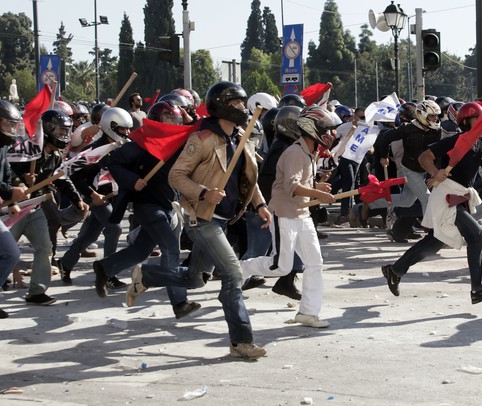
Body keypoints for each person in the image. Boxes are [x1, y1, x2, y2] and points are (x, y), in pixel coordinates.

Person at [126, 81, 270, 360]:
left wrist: (260, 204)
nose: (242, 108)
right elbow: (176, 176)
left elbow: (247, 178)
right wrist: (204, 192)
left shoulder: (242, 136)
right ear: (220, 106)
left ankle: (148, 274)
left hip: (226, 218)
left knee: (195, 279)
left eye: (243, 103)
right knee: (233, 274)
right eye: (236, 104)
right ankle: (242, 340)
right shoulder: (201, 139)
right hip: (202, 219)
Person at [381, 102, 482, 304]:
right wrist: (435, 172)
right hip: (446, 196)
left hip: (461, 196)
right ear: (466, 121)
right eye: (479, 119)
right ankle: (479, 287)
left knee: (435, 242)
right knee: (476, 236)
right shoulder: (456, 140)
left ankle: (395, 270)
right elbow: (425, 158)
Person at [92, 101, 198, 319]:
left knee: (140, 251)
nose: (173, 124)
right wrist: (133, 180)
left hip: (167, 204)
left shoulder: (177, 141)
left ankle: (104, 268)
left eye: (175, 120)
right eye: (168, 119)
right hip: (147, 205)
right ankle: (179, 301)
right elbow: (115, 163)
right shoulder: (141, 141)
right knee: (171, 247)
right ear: (157, 120)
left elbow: (198, 133)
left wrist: (192, 120)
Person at [240, 105, 339, 327]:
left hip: (302, 215)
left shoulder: (309, 151)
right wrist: (317, 193)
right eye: (327, 129)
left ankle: (308, 312)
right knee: (280, 266)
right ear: (311, 128)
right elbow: (292, 186)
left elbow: (302, 183)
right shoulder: (295, 152)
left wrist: (318, 187)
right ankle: (240, 269)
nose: (331, 135)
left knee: (314, 263)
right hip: (284, 215)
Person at [10, 109, 89, 305]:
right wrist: (21, 180)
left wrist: (76, 198)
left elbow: (60, 177)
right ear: (48, 129)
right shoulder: (26, 150)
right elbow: (6, 172)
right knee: (1, 250)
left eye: (66, 132)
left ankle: (37, 291)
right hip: (14, 208)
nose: (64, 136)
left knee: (45, 247)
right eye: (61, 132)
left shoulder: (56, 155)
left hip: (34, 206)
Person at [57, 107, 132, 286]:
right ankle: (108, 273)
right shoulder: (94, 152)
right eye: (123, 129)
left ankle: (65, 263)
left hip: (111, 198)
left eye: (128, 129)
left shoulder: (121, 147)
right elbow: (75, 176)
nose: (127, 133)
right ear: (111, 127)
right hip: (96, 198)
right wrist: (92, 194)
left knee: (90, 234)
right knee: (114, 229)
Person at [0, 100, 27, 318]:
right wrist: (10, 190)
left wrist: (12, 196)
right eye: (7, 124)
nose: (11, 130)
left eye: (14, 125)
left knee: (10, 253)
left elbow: (5, 174)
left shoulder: (3, 145)